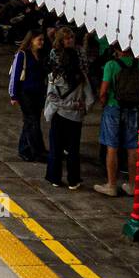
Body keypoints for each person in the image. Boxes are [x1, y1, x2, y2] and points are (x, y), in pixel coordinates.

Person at [94, 44, 139, 196]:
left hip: (113, 107)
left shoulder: (111, 65)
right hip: (133, 108)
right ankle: (132, 185)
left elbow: (103, 91)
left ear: (117, 49)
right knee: (132, 148)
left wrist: (103, 102)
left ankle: (111, 185)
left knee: (112, 146)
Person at [44, 46, 92, 190]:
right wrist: (81, 110)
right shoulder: (81, 77)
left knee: (55, 148)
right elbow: (90, 98)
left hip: (58, 115)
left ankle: (54, 178)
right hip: (75, 118)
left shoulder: (54, 75)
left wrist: (63, 105)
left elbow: (51, 96)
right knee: (73, 150)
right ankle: (73, 180)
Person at [9, 31, 47, 162]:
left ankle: (25, 148)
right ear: (31, 40)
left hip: (38, 94)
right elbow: (15, 75)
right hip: (26, 94)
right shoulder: (22, 55)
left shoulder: (41, 55)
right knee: (32, 122)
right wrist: (13, 95)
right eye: (39, 40)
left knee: (30, 122)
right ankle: (35, 151)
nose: (42, 42)